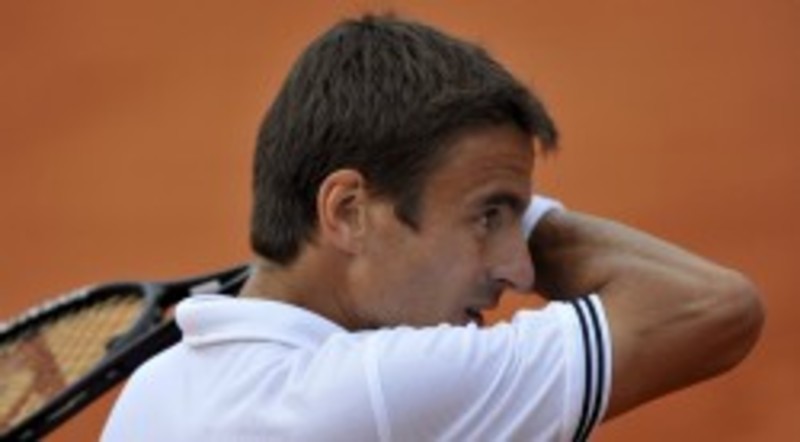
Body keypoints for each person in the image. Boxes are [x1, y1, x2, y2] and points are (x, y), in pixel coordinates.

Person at [102, 14, 764, 441]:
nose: (519, 272)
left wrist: (492, 198)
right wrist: (536, 220)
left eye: (514, 218)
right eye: (488, 215)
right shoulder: (375, 394)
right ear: (348, 212)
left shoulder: (156, 391)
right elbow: (711, 308)